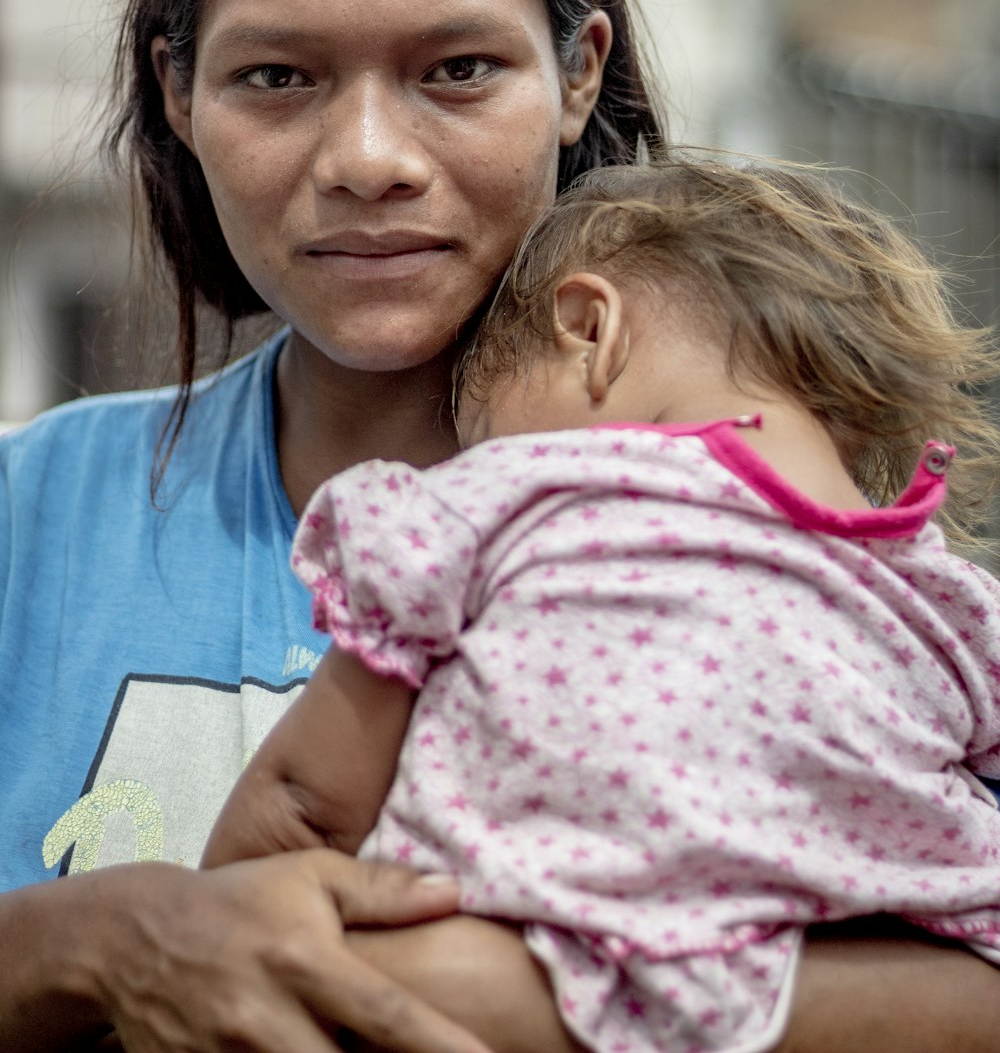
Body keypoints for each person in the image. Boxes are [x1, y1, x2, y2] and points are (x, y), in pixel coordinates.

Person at [1, 0, 999, 1053]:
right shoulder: (33, 519)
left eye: (458, 69)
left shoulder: (826, 554)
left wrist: (492, 1000)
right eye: (276, 76)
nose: (368, 156)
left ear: (578, 72)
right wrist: (89, 940)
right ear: (179, 97)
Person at [203, 157, 1000, 1052]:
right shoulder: (944, 602)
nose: (471, 456)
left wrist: (212, 940)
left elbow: (309, 798)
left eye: (483, 425)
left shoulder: (505, 497)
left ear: (589, 329)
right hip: (859, 988)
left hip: (514, 966)